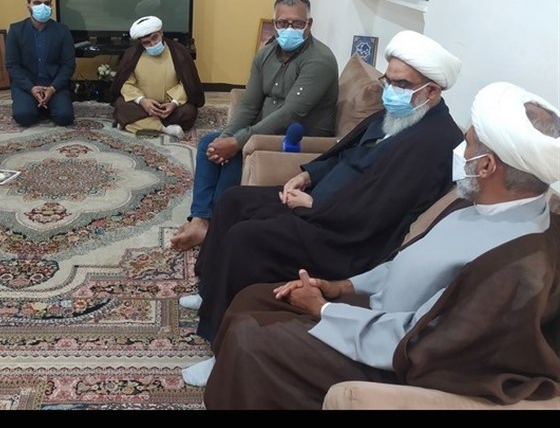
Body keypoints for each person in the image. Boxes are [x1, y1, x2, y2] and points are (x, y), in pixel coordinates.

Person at [203, 81, 560, 409]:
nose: (457, 150)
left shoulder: (514, 263)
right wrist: (342, 287)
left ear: (486, 166)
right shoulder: (476, 204)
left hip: (391, 357)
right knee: (255, 298)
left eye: (466, 143)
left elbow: (423, 342)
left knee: (251, 341)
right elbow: (407, 263)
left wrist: (324, 310)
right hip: (375, 315)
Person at [179, 30, 465, 386]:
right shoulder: (398, 114)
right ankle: (210, 292)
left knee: (246, 239)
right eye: (388, 81)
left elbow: (381, 211)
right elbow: (343, 154)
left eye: (401, 84)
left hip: (342, 235)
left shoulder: (435, 142)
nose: (391, 91)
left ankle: (223, 353)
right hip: (323, 204)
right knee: (233, 200)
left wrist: (314, 205)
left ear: (432, 91)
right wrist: (307, 176)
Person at [170, 0, 339, 250]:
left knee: (236, 151)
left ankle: (216, 223)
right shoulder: (266, 54)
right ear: (274, 23)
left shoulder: (320, 60)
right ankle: (201, 219)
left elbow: (291, 113)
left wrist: (237, 142)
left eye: (297, 23)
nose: (289, 29)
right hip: (266, 130)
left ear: (309, 24)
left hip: (299, 138)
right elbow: (249, 104)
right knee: (210, 144)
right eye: (282, 23)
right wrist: (226, 137)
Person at [110, 16, 205, 137]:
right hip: (143, 105)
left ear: (161, 33)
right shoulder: (132, 54)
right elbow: (126, 83)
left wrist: (174, 103)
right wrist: (142, 101)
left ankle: (133, 123)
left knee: (189, 112)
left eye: (155, 38)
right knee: (121, 105)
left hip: (169, 105)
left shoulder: (179, 52)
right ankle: (164, 128)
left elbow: (186, 83)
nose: (153, 44)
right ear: (140, 42)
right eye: (146, 42)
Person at [5, 0, 76, 128]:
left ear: (51, 5)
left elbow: (68, 65)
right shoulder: (16, 30)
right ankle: (39, 106)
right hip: (27, 85)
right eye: (37, 3)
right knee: (24, 116)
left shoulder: (62, 31)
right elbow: (12, 65)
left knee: (64, 117)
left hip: (54, 85)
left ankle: (45, 105)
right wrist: (31, 88)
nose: (42, 7)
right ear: (28, 6)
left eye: (46, 3)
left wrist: (53, 88)